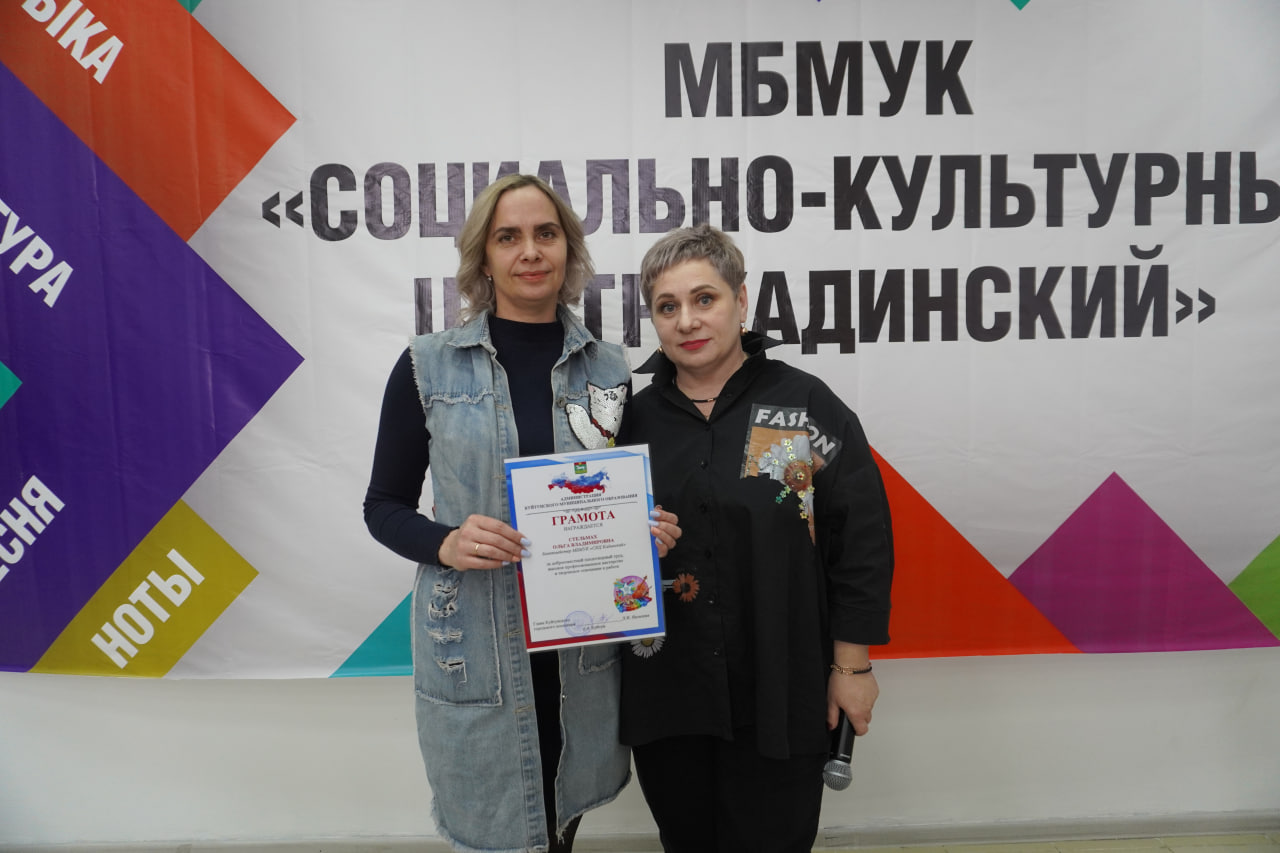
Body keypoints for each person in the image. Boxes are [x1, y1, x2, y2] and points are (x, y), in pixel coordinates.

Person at [363, 174, 679, 853]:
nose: (530, 251)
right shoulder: (426, 367)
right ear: (484, 257)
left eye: (546, 234)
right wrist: (445, 542)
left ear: (568, 250)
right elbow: (382, 507)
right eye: (508, 237)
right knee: (491, 828)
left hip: (579, 645)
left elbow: (624, 497)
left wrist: (647, 529)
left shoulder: (611, 370)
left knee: (561, 822)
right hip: (476, 646)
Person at [620, 224, 894, 853]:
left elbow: (861, 543)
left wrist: (852, 666)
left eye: (705, 299)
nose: (687, 320)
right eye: (667, 306)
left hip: (783, 686)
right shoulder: (629, 423)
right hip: (670, 693)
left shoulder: (803, 406)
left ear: (741, 301)